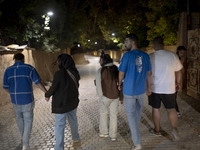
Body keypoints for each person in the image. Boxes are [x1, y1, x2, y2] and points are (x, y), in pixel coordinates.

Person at [3, 53, 47, 150]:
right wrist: (46, 92)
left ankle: (24, 141)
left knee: (20, 120)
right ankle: (25, 145)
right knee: (28, 121)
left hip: (15, 100)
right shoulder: (29, 68)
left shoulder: (8, 70)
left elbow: (5, 88)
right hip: (27, 99)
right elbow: (38, 82)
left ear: (14, 59)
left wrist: (14, 93)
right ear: (23, 59)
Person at [118, 34, 152, 150]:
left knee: (132, 117)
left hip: (129, 92)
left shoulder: (126, 56)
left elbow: (121, 73)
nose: (125, 44)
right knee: (136, 116)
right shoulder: (146, 56)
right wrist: (148, 87)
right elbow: (148, 74)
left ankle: (137, 143)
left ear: (133, 42)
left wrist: (119, 83)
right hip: (141, 91)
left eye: (126, 41)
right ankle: (135, 133)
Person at [148, 37, 182, 141]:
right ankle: (174, 129)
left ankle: (157, 130)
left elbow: (148, 74)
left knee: (155, 108)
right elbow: (179, 71)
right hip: (169, 88)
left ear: (154, 45)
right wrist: (178, 83)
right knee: (171, 109)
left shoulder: (150, 57)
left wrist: (147, 87)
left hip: (155, 88)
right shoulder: (172, 55)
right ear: (163, 44)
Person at [45, 54, 81, 150]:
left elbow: (54, 87)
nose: (58, 63)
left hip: (61, 104)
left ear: (62, 62)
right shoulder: (75, 72)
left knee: (60, 125)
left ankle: (59, 147)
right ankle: (76, 139)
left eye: (59, 61)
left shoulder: (59, 74)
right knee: (73, 120)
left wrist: (47, 95)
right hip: (73, 102)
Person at [95, 51, 119, 141]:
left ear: (103, 60)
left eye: (100, 60)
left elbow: (98, 85)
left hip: (105, 95)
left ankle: (104, 133)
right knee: (114, 116)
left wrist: (101, 96)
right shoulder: (115, 68)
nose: (99, 62)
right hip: (115, 96)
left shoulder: (100, 71)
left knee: (103, 114)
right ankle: (113, 136)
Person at [175, 46, 187, 117]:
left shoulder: (182, 59)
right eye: (181, 52)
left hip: (177, 79)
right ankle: (177, 111)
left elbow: (182, 71)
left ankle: (175, 110)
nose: (182, 54)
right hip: (171, 79)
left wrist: (181, 64)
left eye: (183, 53)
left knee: (174, 96)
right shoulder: (174, 58)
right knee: (173, 97)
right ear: (177, 51)